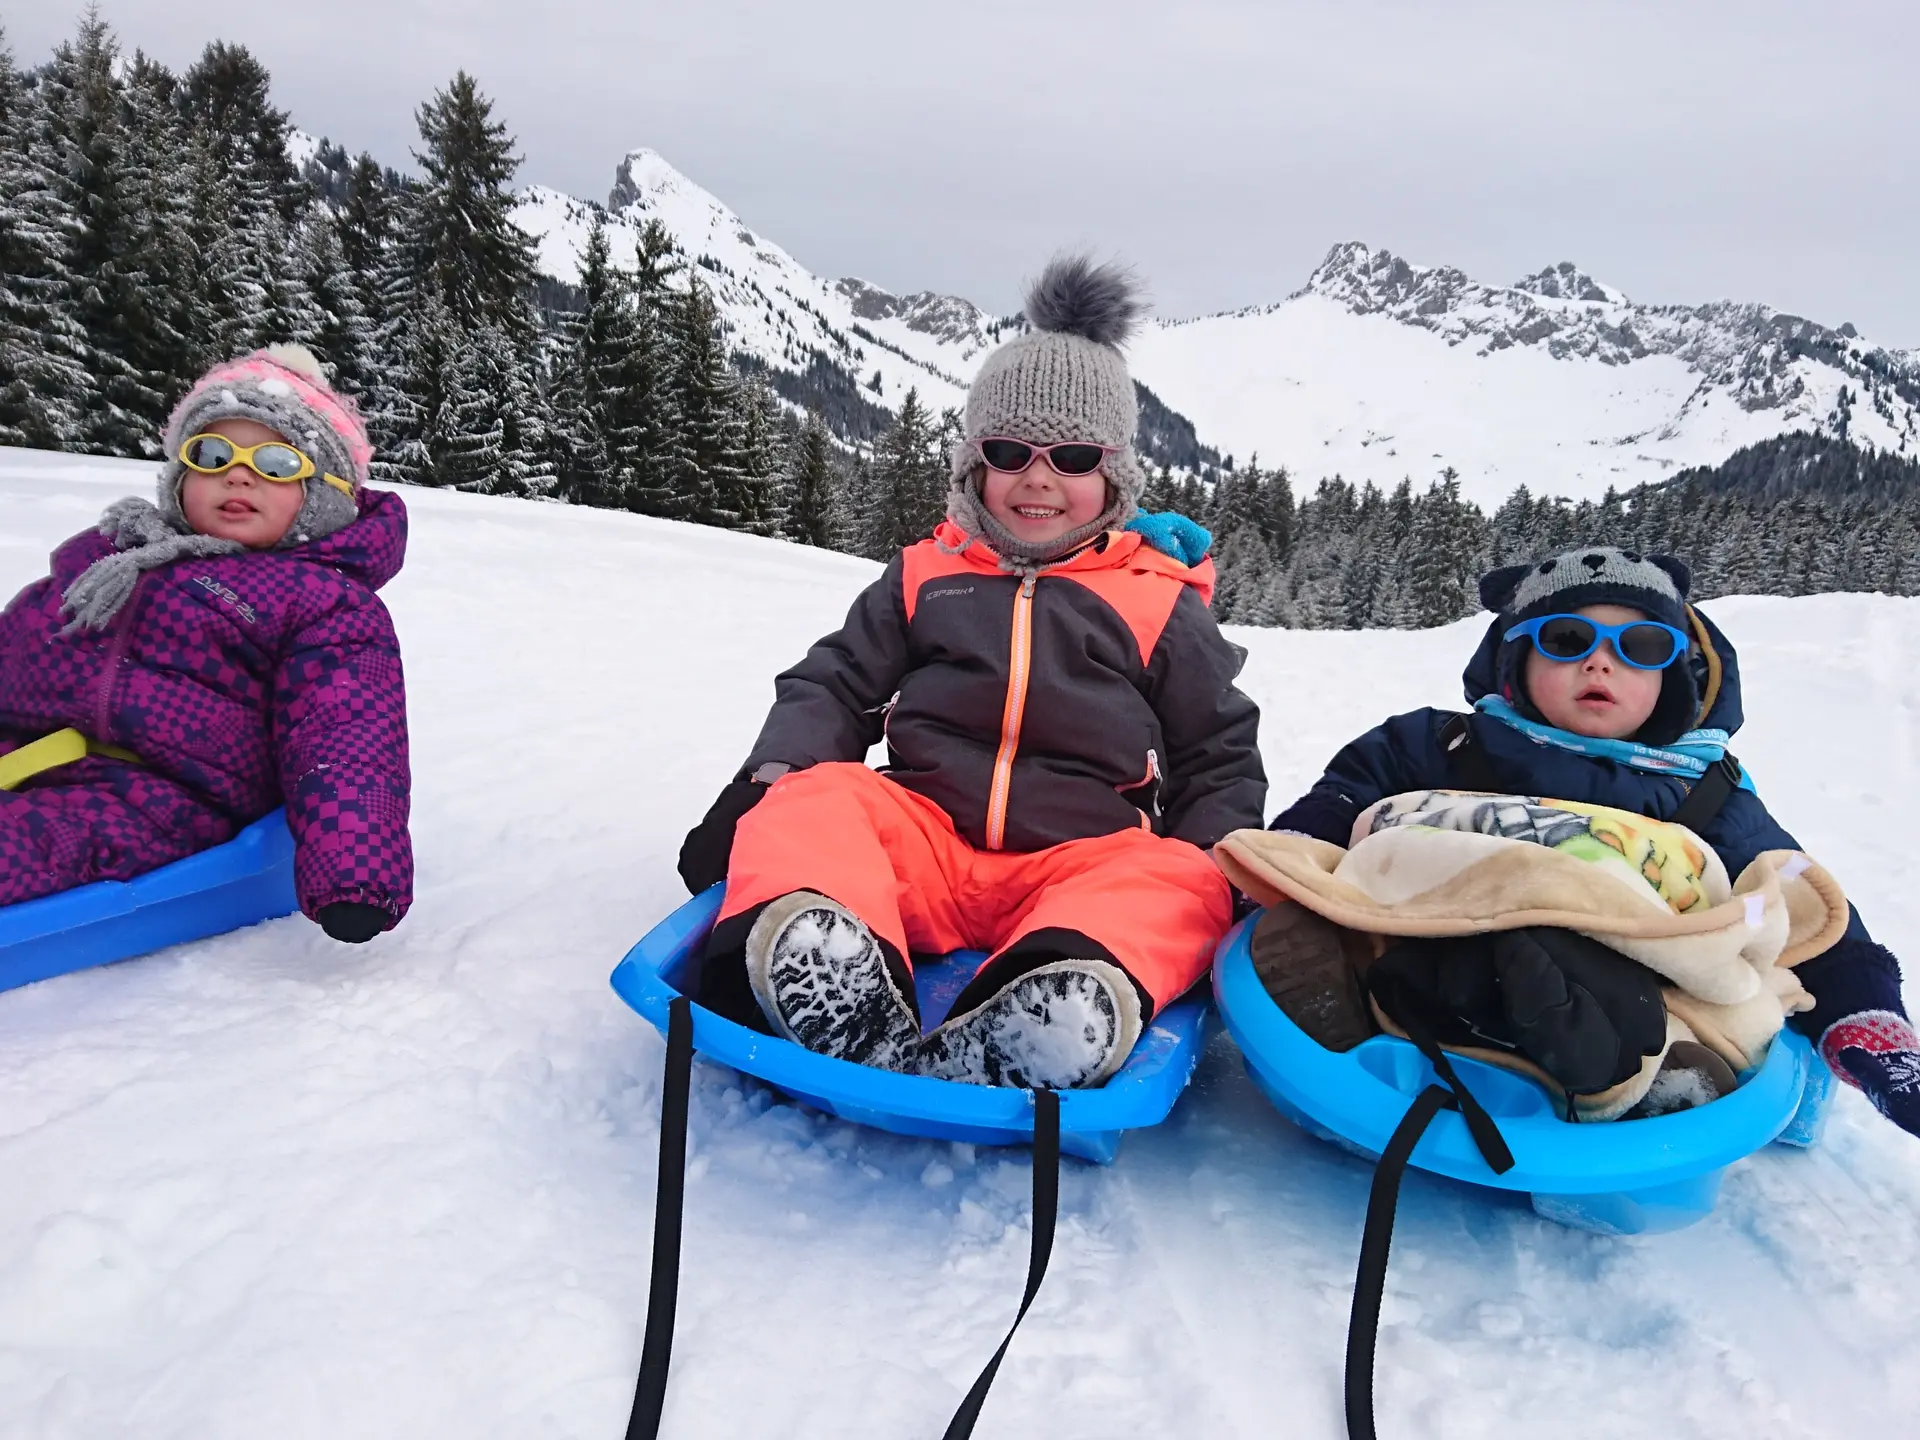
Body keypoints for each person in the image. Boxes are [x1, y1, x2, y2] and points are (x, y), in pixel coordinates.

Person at [677, 256, 1265, 1089]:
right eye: (1009, 449)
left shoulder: (1155, 601)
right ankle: (832, 972)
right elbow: (835, 682)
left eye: (1073, 457)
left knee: (1175, 879)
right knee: (817, 800)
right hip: (925, 839)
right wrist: (769, 778)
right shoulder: (928, 574)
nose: (1038, 477)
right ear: (973, 464)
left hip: (1082, 857)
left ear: (1115, 476)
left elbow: (1218, 748)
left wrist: (1216, 855)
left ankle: (1047, 1007)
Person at [1261, 545, 1916, 1132]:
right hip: (1440, 931)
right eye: (1569, 638)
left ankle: (1657, 1073)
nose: (1601, 661)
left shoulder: (1705, 793)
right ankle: (1346, 1005)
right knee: (1358, 904)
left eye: (1642, 647)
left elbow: (1797, 907)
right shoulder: (1440, 746)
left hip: (1626, 976)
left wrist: (1865, 1015)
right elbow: (1338, 805)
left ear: (1674, 677)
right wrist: (1280, 865)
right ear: (1515, 656)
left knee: (1732, 970)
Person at [0, 344, 413, 943]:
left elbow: (348, 735)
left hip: (160, 797)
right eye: (213, 454)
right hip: (27, 749)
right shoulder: (114, 556)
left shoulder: (321, 601)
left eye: (275, 462)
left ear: (322, 495)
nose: (237, 473)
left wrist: (355, 873)